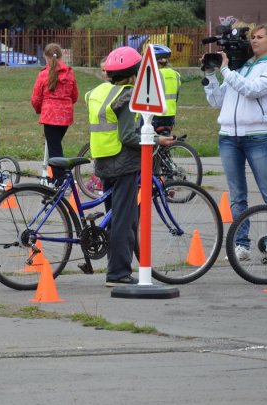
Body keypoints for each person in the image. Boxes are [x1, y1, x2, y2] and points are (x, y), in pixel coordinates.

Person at [86, 47, 175, 287]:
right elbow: (127, 136)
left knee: (114, 217)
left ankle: (115, 266)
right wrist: (155, 140)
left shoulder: (98, 91)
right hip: (123, 163)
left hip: (103, 159)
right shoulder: (126, 97)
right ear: (136, 74)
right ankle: (118, 274)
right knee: (125, 220)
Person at [203, 22, 267, 260]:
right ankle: (241, 245)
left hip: (257, 136)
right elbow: (217, 102)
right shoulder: (241, 66)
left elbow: (253, 90)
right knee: (237, 196)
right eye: (253, 37)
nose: (254, 41)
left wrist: (226, 70)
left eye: (260, 37)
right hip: (228, 137)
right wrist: (211, 75)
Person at [30, 43, 78, 181]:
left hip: (49, 116)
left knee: (55, 150)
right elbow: (74, 96)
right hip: (65, 117)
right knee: (55, 146)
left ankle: (59, 179)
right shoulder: (70, 73)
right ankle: (54, 176)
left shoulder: (43, 75)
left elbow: (35, 98)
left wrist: (40, 110)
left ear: (46, 57)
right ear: (61, 56)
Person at [151, 44, 180, 134]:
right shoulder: (176, 74)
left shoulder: (154, 74)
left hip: (156, 114)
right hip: (170, 114)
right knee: (164, 139)